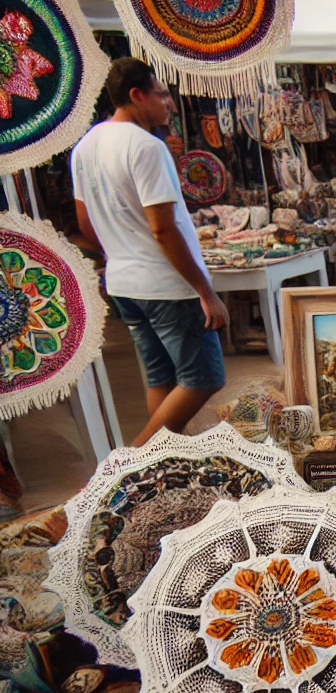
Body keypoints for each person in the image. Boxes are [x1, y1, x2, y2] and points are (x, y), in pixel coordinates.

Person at [72, 57, 227, 446]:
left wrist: (121, 248)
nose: (170, 103)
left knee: (163, 377)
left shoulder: (85, 146)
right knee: (204, 378)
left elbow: (85, 223)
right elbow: (163, 228)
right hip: (165, 284)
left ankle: (165, 460)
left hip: (125, 281)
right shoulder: (146, 147)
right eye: (161, 95)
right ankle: (134, 460)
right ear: (136, 96)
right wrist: (205, 292)